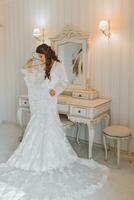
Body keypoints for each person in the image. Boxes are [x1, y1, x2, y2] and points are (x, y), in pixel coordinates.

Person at [0, 44, 108, 200]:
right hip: (37, 103)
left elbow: (64, 82)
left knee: (50, 127)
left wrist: (55, 90)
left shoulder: (58, 65)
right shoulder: (38, 65)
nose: (40, 59)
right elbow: (30, 81)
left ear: (47, 54)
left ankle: (52, 157)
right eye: (38, 56)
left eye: (41, 56)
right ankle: (32, 155)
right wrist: (30, 65)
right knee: (35, 127)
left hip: (49, 101)